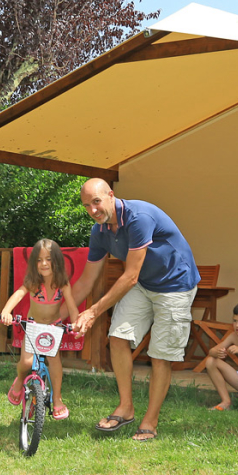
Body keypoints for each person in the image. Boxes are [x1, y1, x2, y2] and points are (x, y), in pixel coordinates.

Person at [72, 178, 199, 442]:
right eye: (87, 206)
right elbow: (86, 280)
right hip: (144, 283)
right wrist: (57, 314)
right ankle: (126, 408)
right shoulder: (100, 232)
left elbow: (129, 276)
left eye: (96, 201)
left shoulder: (138, 217)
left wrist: (93, 312)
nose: (93, 210)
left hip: (175, 284)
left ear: (111, 195)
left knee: (160, 355)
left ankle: (150, 422)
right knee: (117, 336)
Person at [0, 239, 81, 420]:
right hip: (34, 324)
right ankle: (20, 380)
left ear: (57, 261)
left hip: (53, 326)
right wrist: (6, 311)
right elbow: (17, 295)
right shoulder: (33, 283)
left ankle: (57, 398)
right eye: (39, 260)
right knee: (27, 363)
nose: (44, 263)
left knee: (54, 360)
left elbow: (72, 308)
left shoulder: (63, 284)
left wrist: (76, 324)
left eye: (49, 259)